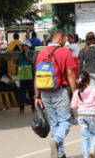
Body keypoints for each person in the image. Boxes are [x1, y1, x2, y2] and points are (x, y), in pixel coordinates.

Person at [34, 29, 78, 158]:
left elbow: (37, 76)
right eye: (65, 39)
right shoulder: (65, 52)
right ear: (60, 39)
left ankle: (60, 154)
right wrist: (75, 93)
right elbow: (70, 74)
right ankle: (56, 140)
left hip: (44, 93)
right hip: (59, 91)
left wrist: (37, 96)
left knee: (54, 123)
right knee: (66, 121)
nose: (66, 41)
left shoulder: (42, 53)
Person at [71, 71, 95, 158]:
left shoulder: (77, 92)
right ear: (88, 80)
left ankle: (86, 156)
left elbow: (73, 105)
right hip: (92, 115)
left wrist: (80, 107)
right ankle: (92, 150)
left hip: (81, 115)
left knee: (84, 136)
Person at [17, 40, 35, 114]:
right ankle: (21, 108)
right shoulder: (20, 54)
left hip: (30, 75)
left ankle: (33, 107)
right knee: (22, 93)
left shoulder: (32, 53)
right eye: (22, 46)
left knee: (31, 92)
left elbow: (32, 62)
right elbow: (18, 64)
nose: (22, 47)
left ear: (28, 46)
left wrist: (26, 55)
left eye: (23, 46)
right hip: (22, 76)